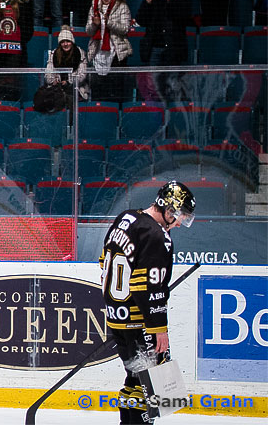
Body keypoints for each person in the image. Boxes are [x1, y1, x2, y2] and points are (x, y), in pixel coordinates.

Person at [100, 181, 195, 425]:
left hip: (116, 317)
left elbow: (104, 261)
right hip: (140, 322)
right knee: (158, 390)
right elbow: (147, 287)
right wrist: (158, 328)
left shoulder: (126, 217)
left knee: (134, 378)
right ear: (168, 208)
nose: (180, 222)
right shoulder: (157, 236)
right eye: (179, 215)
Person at [136, 0, 189, 103]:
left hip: (173, 49)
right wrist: (147, 4)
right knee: (153, 85)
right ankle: (156, 112)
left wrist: (170, 1)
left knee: (172, 84)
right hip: (155, 48)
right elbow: (141, 21)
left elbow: (183, 18)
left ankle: (172, 115)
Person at [85, 0, 131, 103]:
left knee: (115, 88)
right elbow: (88, 31)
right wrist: (95, 25)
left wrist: (108, 22)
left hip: (116, 51)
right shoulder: (94, 6)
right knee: (99, 88)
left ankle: (114, 113)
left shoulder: (122, 7)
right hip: (98, 50)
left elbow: (125, 29)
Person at [44, 25, 90, 112]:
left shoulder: (80, 53)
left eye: (68, 41)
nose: (65, 44)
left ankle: (71, 124)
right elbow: (47, 74)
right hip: (57, 88)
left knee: (69, 98)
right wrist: (53, 81)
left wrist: (69, 82)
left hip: (76, 89)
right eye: (63, 42)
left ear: (72, 42)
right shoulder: (54, 54)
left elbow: (83, 75)